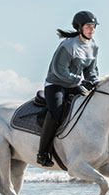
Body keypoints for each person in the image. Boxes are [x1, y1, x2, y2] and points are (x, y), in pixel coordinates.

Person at [37, 10, 100, 167]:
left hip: (74, 85)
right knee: (56, 113)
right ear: (79, 28)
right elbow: (60, 71)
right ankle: (42, 153)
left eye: (93, 27)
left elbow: (91, 70)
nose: (92, 30)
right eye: (88, 27)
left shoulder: (93, 46)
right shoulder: (68, 45)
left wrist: (93, 81)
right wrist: (80, 81)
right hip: (56, 84)